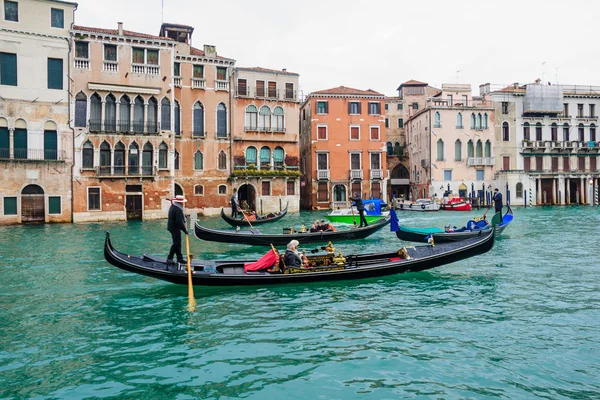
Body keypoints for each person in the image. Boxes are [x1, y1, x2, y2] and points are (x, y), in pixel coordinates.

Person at [167, 195, 188, 264]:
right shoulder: (177, 209)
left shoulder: (173, 206)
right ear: (180, 202)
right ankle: (169, 258)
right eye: (182, 202)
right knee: (176, 244)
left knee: (178, 243)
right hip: (174, 228)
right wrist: (185, 230)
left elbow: (177, 216)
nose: (183, 203)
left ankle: (179, 258)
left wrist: (183, 216)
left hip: (172, 227)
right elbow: (179, 222)